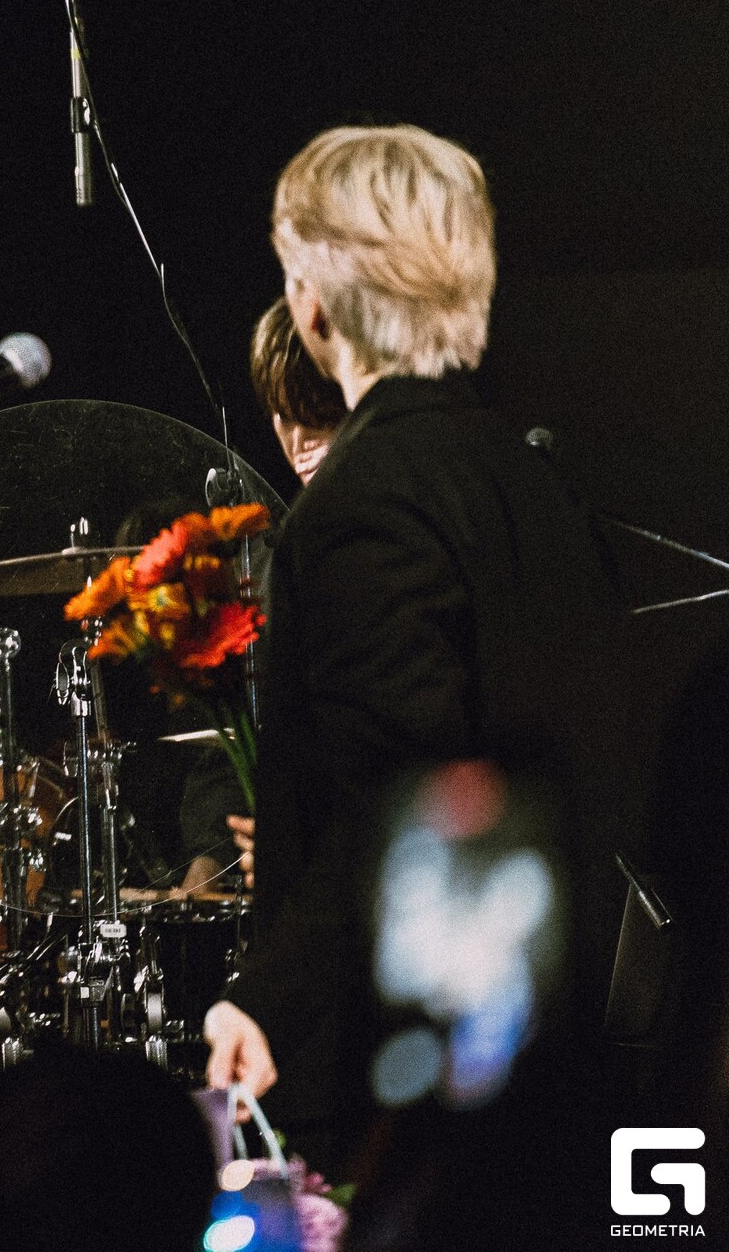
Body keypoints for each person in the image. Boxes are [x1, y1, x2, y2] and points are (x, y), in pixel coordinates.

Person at [201, 125, 633, 1177]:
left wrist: (263, 999)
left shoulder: (360, 503)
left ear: (313, 304)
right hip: (561, 1046)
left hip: (415, 1075)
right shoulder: (537, 484)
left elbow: (398, 805)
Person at [179, 295, 346, 896]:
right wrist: (208, 855)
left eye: (320, 417)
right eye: (283, 416)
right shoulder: (279, 560)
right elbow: (243, 730)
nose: (300, 441)